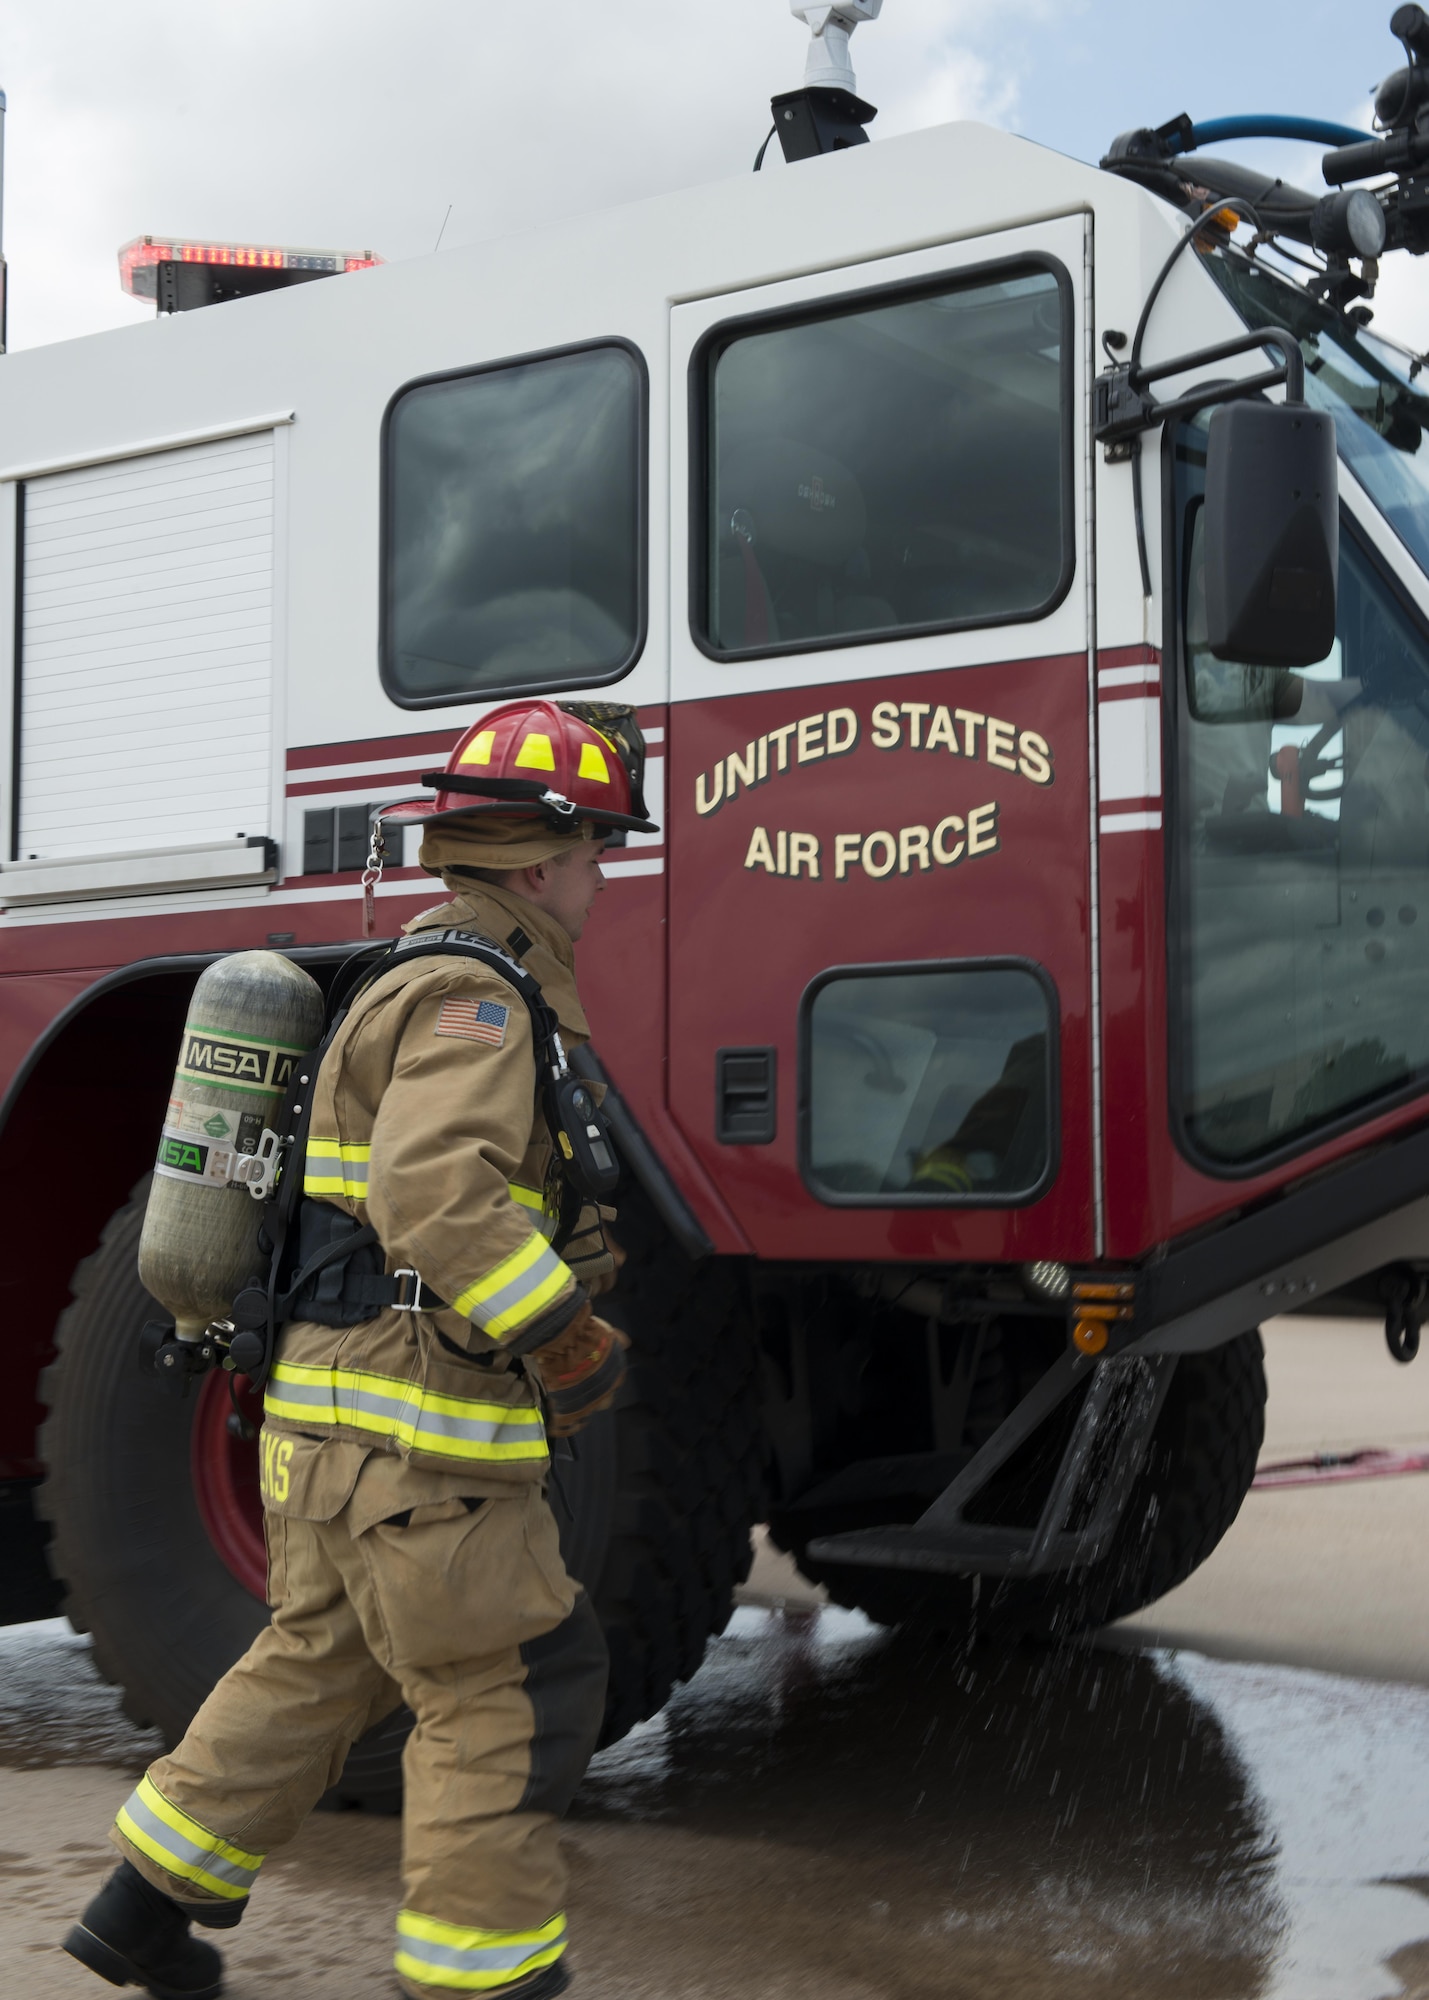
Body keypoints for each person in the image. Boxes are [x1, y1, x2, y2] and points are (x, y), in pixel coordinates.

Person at [63, 699, 659, 2000]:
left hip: (327, 1439)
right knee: (509, 1687)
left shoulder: (413, 977)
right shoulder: (476, 1000)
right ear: (540, 861)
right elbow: (437, 1192)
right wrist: (561, 1339)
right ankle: (474, 1982)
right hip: (416, 1443)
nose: (602, 877)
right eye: (595, 851)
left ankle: (138, 1911)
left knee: (316, 1669)